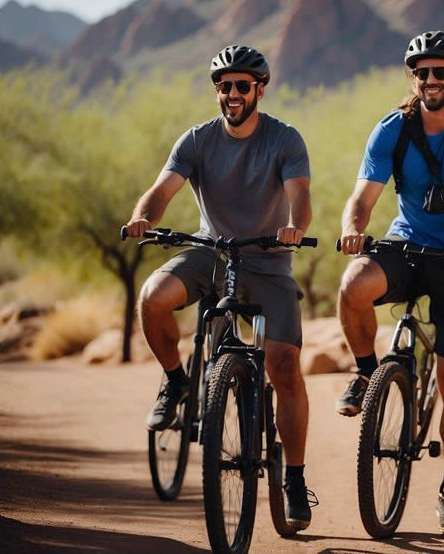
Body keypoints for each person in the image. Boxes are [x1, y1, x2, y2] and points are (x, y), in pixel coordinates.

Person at [124, 45, 316, 529]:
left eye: (242, 86)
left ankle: (293, 477)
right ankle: (175, 381)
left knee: (286, 366)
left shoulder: (284, 140)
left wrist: (294, 227)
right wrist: (143, 217)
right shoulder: (196, 140)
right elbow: (162, 188)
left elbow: (301, 198)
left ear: (259, 90)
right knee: (153, 298)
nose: (232, 94)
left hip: (269, 262)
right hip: (212, 251)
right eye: (224, 86)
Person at [336, 31, 444, 536]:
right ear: (412, 78)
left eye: (440, 72)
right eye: (422, 72)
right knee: (353, 285)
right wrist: (353, 229)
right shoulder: (392, 128)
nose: (430, 80)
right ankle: (368, 372)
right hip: (408, 245)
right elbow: (363, 197)